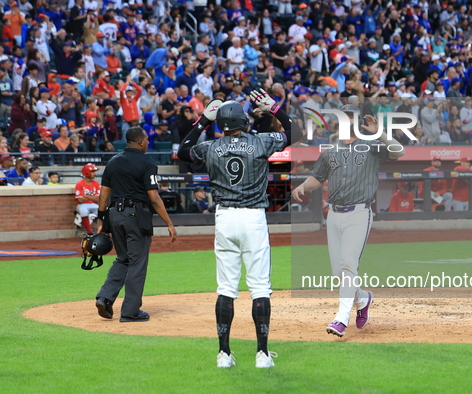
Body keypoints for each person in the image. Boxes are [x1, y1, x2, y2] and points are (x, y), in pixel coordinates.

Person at [177, 89, 303, 369]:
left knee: (226, 288)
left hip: (224, 218)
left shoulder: (210, 146)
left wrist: (202, 122)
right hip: (253, 218)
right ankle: (262, 354)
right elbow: (297, 134)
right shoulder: (260, 141)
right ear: (243, 122)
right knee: (259, 287)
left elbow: (183, 150)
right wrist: (274, 109)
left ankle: (224, 354)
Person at [292, 104, 405, 338]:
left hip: (359, 212)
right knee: (339, 274)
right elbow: (317, 177)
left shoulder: (371, 146)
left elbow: (399, 151)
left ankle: (341, 319)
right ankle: (363, 298)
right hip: (333, 214)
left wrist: (379, 132)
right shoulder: (330, 150)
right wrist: (304, 185)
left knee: (347, 264)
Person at [95, 127, 177, 323]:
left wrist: (102, 223)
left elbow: (103, 196)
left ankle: (105, 297)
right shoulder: (147, 162)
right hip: (135, 214)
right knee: (137, 263)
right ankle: (130, 311)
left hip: (114, 214)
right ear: (140, 142)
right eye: (147, 140)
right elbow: (154, 197)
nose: (148, 143)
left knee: (123, 258)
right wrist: (169, 223)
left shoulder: (113, 161)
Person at [75, 163, 101, 236]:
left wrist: (86, 196)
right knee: (84, 211)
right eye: (92, 172)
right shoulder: (79, 184)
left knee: (104, 210)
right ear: (87, 173)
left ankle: (104, 232)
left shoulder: (96, 183)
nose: (94, 174)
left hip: (94, 204)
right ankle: (89, 233)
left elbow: (98, 199)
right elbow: (80, 200)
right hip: (82, 205)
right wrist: (92, 197)